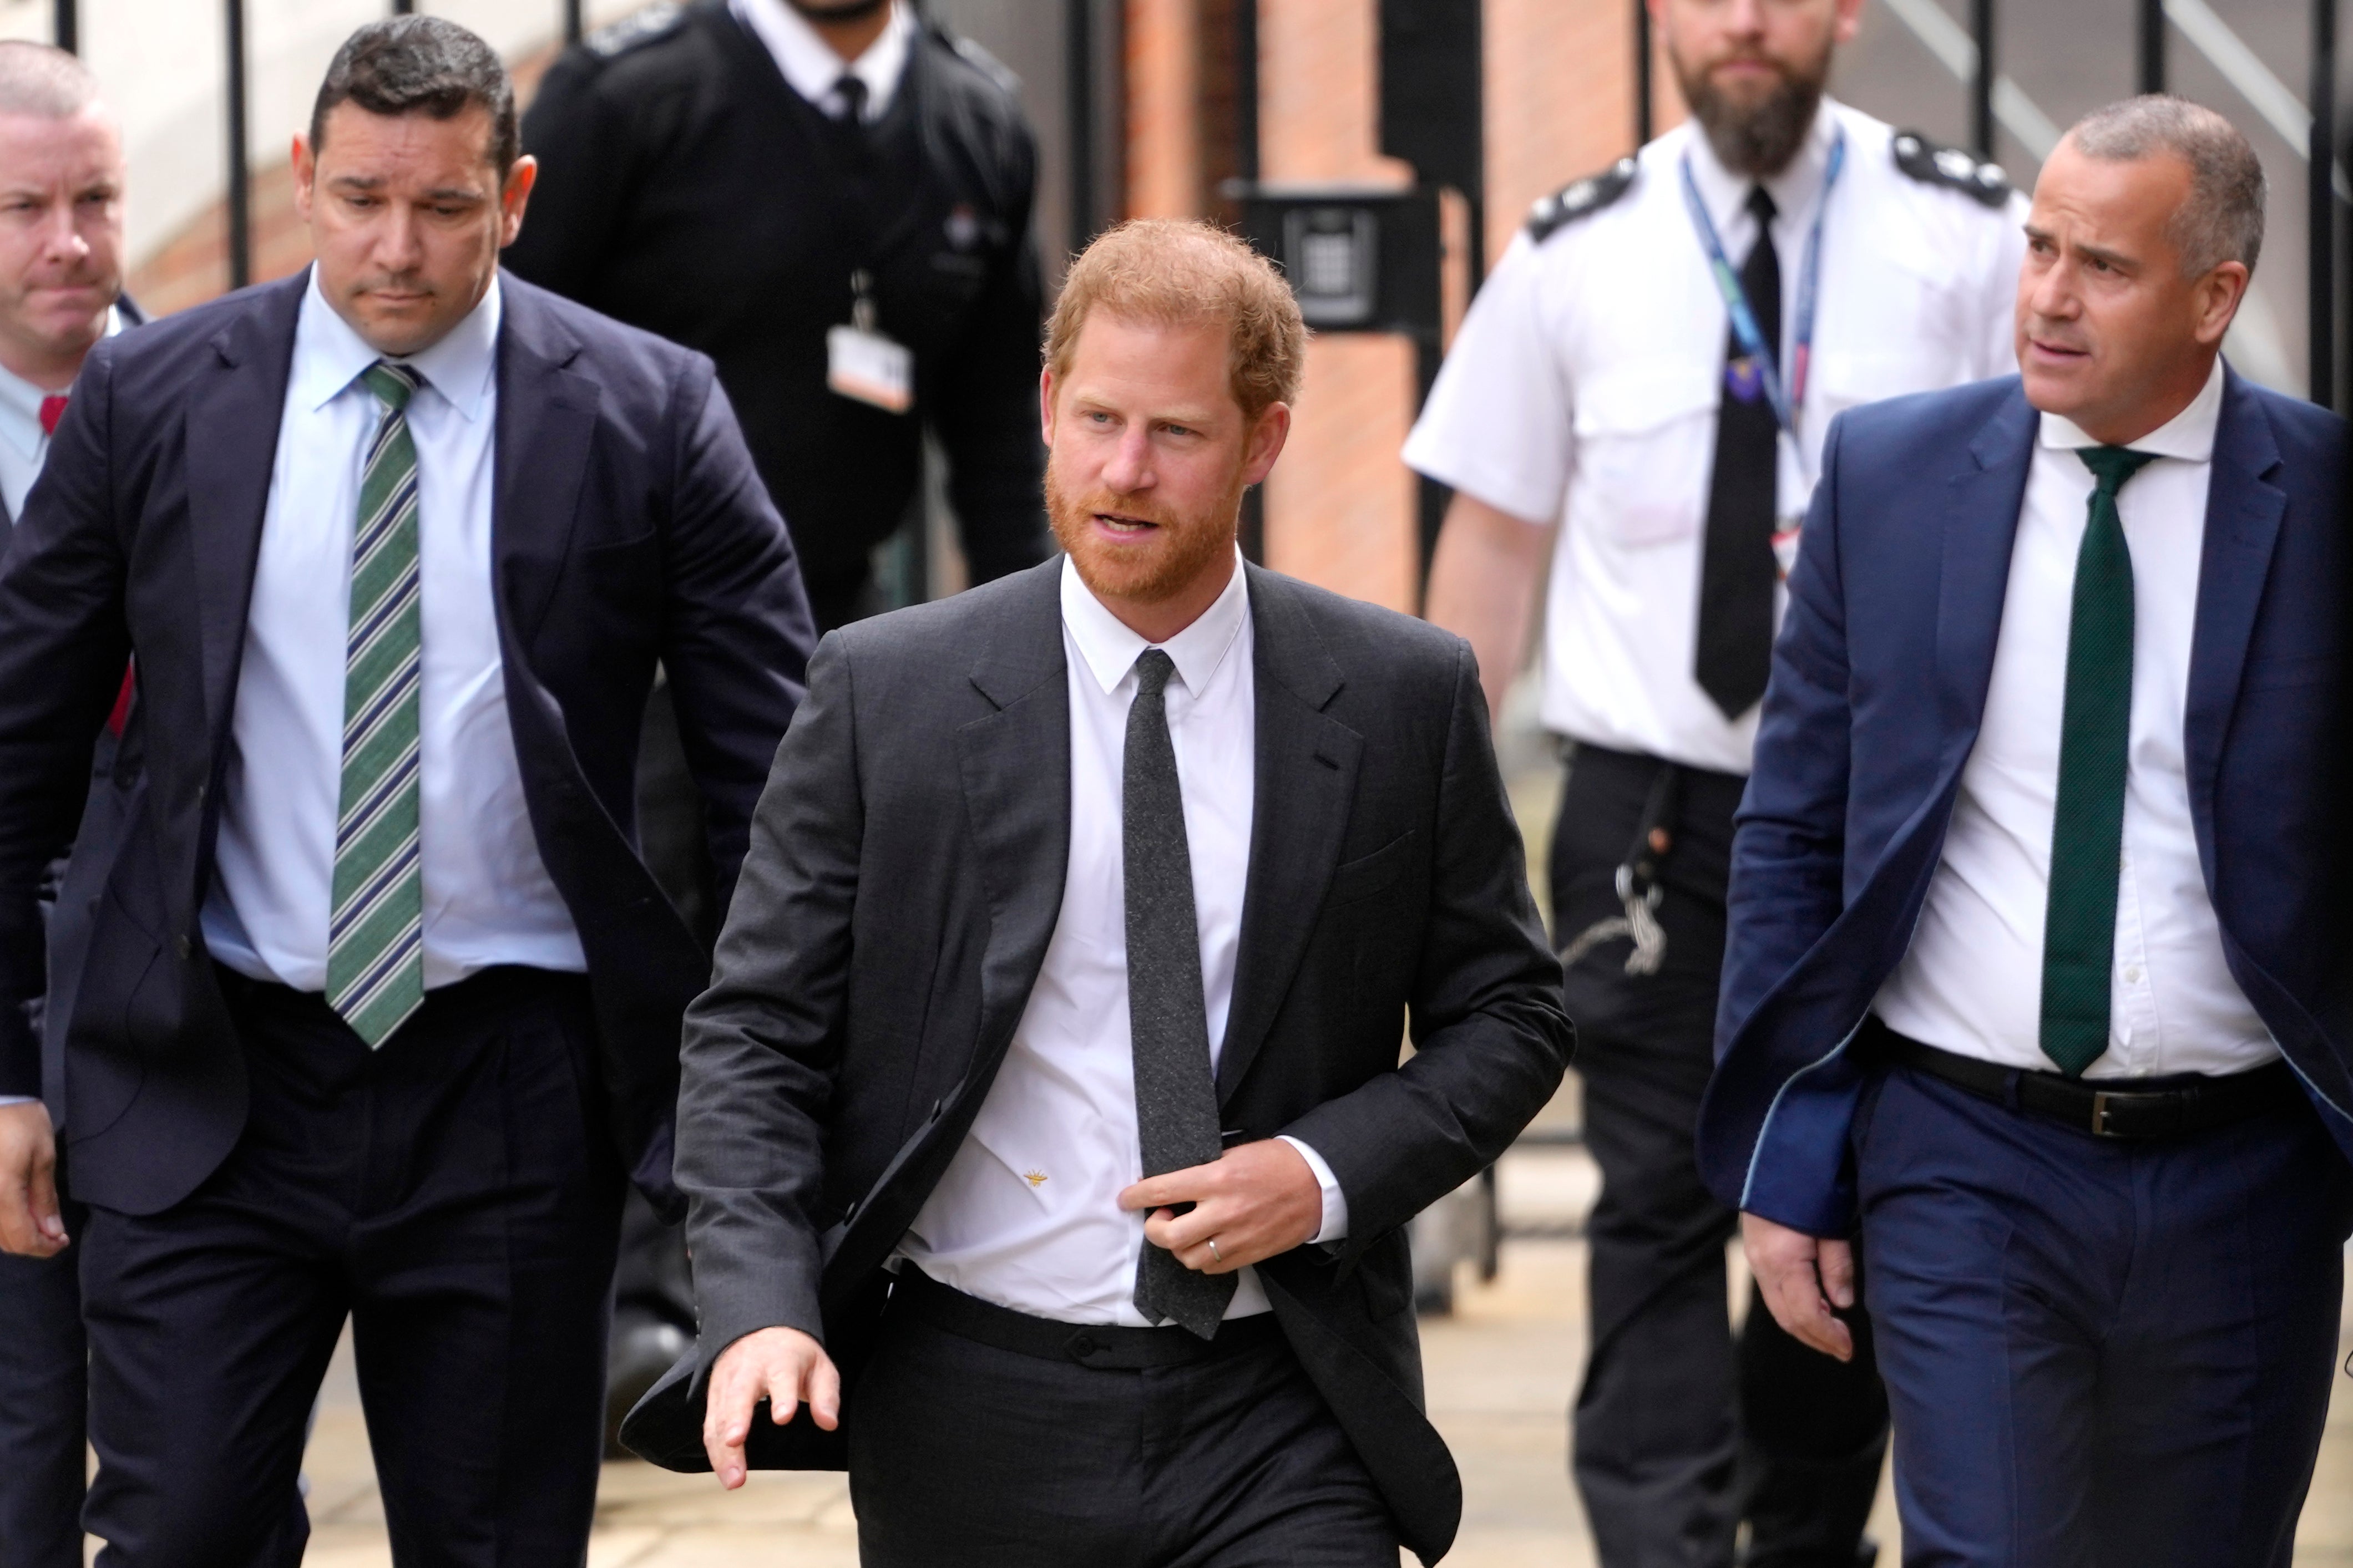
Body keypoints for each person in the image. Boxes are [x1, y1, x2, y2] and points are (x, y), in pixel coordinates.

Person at [616, 219, 1575, 1567]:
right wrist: (760, 1301)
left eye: (1175, 432)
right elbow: (753, 1030)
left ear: (1263, 440)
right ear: (1047, 410)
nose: (1124, 470)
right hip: (969, 1403)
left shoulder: (1402, 695)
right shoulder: (885, 690)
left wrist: (1319, 1172)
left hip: (1282, 1400)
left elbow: (1512, 1014)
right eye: (1096, 418)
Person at [0, 17, 816, 1563]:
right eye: (364, 196)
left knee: (497, 1541)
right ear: (307, 179)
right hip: (207, 1069)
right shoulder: (155, 401)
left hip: (512, 1082)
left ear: (510, 194)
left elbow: (776, 788)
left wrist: (748, 1103)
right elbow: (17, 766)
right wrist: (7, 1073)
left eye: (446, 206)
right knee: (177, 1527)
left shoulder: (648, 413)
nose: (398, 247)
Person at [1406, 0, 2023, 1561]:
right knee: (1654, 1207)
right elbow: (1491, 549)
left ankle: (1804, 1535)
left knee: (1868, 1203)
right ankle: (1665, 1546)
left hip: (1893, 822)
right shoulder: (1573, 250)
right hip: (1649, 820)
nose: (1743, 19)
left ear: (1842, 13)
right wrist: (1419, 838)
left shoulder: (1970, 236)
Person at [1705, 97, 2347, 1566]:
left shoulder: (2322, 497)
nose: (2049, 296)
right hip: (1962, 1155)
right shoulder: (1892, 478)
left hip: (2247, 1175)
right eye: (2039, 247)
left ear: (2216, 296)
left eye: (2105, 268)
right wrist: (1782, 1164)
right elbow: (1794, 827)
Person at [506, 0, 1049, 632]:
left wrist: (1025, 664)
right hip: (630, 638)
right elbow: (510, 362)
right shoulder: (620, 97)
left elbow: (998, 435)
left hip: (836, 629)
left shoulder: (980, 120)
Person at [0, 41, 143, 1568]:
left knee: (205, 1458)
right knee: (24, 1432)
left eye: (95, 198)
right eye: (25, 205)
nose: (68, 242)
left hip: (194, 1023)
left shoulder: (231, 400)